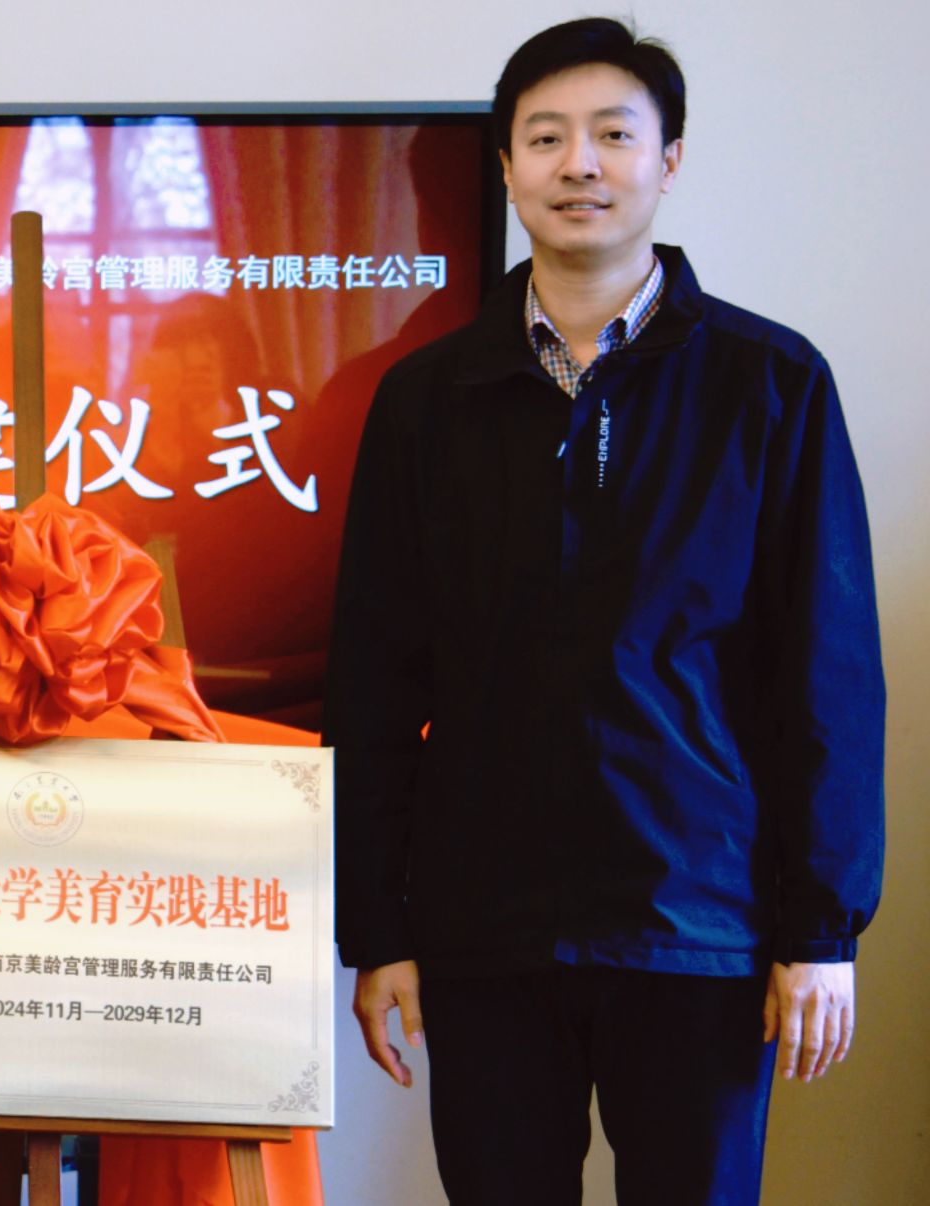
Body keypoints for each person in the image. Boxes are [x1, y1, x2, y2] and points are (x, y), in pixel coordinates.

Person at [326, 18, 884, 1205]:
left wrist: (818, 932)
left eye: (612, 136)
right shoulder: (425, 400)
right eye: (544, 138)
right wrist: (374, 928)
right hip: (482, 928)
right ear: (505, 167)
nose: (577, 164)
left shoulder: (768, 383)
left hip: (699, 922)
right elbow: (373, 680)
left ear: (666, 159)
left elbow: (826, 679)